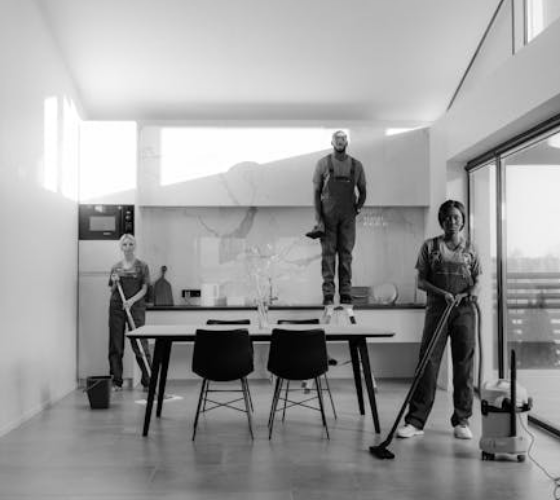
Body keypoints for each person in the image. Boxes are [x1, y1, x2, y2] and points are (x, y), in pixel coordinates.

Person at [397, 200, 481, 440]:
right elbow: (421, 281)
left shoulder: (471, 248)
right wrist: (441, 293)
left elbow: (477, 280)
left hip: (464, 311)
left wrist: (470, 293)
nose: (452, 221)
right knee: (428, 363)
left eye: (456, 217)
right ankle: (415, 422)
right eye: (447, 217)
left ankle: (462, 421)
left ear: (462, 221)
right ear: (441, 221)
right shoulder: (430, 246)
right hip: (437, 309)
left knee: (464, 365)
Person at [308, 130, 367, 306]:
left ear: (347, 142)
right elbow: (316, 193)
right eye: (337, 139)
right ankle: (328, 294)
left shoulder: (357, 166)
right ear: (332, 142)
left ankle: (345, 293)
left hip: (348, 217)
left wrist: (357, 208)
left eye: (343, 139)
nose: (340, 142)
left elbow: (363, 191)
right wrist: (318, 219)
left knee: (346, 256)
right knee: (328, 256)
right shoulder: (322, 164)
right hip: (328, 217)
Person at [108, 233, 152, 391]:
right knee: (116, 344)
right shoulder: (116, 267)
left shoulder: (142, 266)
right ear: (121, 247)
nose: (128, 247)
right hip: (117, 307)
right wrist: (115, 281)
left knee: (140, 343)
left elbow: (144, 289)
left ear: (135, 246)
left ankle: (148, 381)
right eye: (125, 244)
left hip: (136, 307)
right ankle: (117, 381)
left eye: (130, 244)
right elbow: (113, 289)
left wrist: (131, 301)